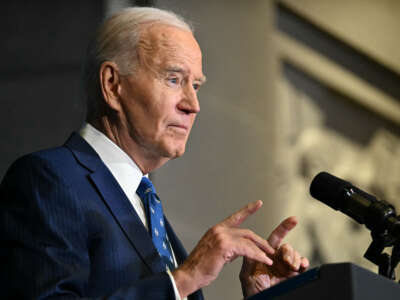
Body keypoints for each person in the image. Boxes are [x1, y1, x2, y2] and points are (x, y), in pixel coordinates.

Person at [0, 7, 309, 300]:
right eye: (174, 79)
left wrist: (262, 296)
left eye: (196, 86)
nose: (193, 105)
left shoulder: (147, 205)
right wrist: (184, 280)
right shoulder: (49, 180)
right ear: (112, 85)